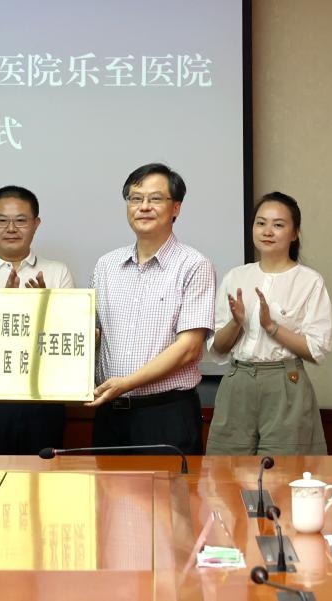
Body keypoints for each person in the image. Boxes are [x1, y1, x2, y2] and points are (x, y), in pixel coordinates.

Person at [90, 163, 215, 453]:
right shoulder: (106, 265)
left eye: (155, 199)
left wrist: (127, 383)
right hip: (110, 414)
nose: (144, 207)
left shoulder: (194, 265)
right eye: (135, 198)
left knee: (169, 486)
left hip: (165, 414)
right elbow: (93, 336)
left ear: (176, 208)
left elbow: (189, 348)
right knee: (104, 485)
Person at [206, 192, 332, 456]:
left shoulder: (309, 281)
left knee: (283, 472)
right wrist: (237, 323)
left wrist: (272, 327)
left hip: (284, 383)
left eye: (278, 225)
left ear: (295, 233)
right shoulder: (236, 276)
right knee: (226, 470)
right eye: (261, 223)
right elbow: (217, 348)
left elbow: (316, 349)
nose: (267, 231)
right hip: (237, 381)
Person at [0, 185, 74, 454]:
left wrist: (45, 309)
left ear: (36, 224)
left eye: (20, 220)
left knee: (44, 476)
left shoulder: (57, 272)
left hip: (44, 398)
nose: (11, 228)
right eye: (2, 221)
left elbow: (69, 338)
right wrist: (4, 309)